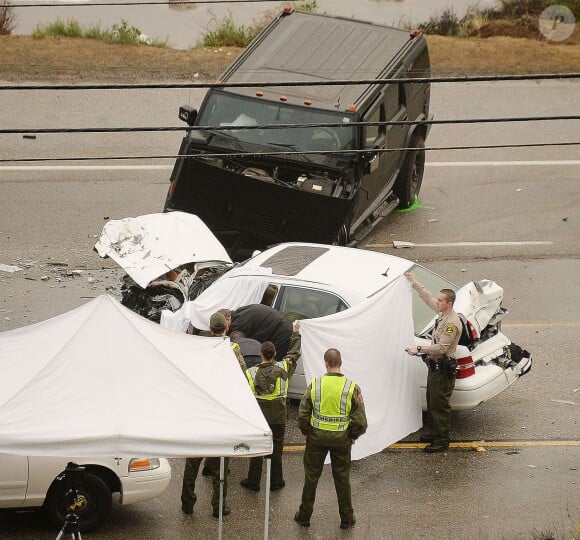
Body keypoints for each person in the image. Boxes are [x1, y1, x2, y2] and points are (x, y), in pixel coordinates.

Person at [181, 311, 246, 518]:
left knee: (192, 462)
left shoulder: (199, 348)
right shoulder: (233, 348)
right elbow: (242, 377)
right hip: (222, 412)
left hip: (200, 411)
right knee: (221, 466)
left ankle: (188, 502)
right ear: (226, 328)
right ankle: (218, 506)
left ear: (210, 328)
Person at [294, 348, 367, 530]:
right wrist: (352, 436)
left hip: (316, 438)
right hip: (342, 440)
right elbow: (361, 421)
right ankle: (346, 518)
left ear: (326, 363)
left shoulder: (315, 385)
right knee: (342, 479)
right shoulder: (352, 387)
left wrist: (306, 431)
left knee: (311, 477)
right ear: (340, 363)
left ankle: (304, 516)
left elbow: (303, 414)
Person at [240, 321, 302, 492]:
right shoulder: (283, 368)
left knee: (258, 449)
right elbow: (294, 353)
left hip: (259, 419)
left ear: (260, 354)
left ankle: (253, 482)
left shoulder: (251, 373)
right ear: (274, 353)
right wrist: (295, 333)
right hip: (278, 417)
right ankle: (276, 481)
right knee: (276, 450)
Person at [405, 272, 462, 453]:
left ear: (449, 304)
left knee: (440, 406)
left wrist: (419, 350)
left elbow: (442, 348)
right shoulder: (442, 314)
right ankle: (436, 432)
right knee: (431, 401)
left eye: (440, 301)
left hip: (443, 370)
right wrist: (414, 282)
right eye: (438, 300)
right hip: (435, 368)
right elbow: (427, 297)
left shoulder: (452, 322)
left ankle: (442, 440)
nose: (437, 302)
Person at [228, 304, 293, 361]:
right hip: (281, 329)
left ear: (228, 319)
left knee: (274, 367)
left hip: (282, 334)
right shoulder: (241, 313)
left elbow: (240, 346)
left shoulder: (239, 324)